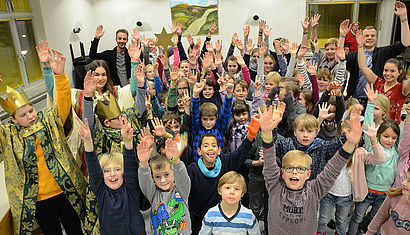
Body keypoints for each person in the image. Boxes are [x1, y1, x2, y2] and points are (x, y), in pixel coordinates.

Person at [0, 50, 86, 234]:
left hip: (64, 189)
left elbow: (62, 105)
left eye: (31, 111)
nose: (30, 116)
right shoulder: (10, 135)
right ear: (13, 120)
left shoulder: (47, 120)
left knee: (74, 229)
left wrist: (59, 75)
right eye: (23, 115)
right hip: (39, 199)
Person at [257, 103, 363, 235]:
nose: (295, 171)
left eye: (300, 169)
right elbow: (269, 161)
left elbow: (333, 168)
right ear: (282, 172)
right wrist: (267, 133)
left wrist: (350, 143)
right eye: (290, 168)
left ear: (308, 174)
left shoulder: (315, 190)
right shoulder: (274, 186)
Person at [77, 115, 146, 235]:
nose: (112, 174)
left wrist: (128, 141)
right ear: (102, 175)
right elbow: (93, 166)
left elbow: (130, 165)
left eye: (118, 169)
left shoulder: (130, 188)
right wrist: (88, 141)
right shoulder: (101, 191)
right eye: (107, 171)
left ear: (124, 173)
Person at [187, 120, 258, 234]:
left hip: (223, 218)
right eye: (206, 145)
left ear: (219, 150)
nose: (210, 148)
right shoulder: (192, 170)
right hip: (198, 219)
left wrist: (250, 137)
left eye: (214, 145)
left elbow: (240, 153)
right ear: (199, 151)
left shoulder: (226, 162)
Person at [344, 1, 410, 100]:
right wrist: (342, 36)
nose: (369, 38)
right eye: (366, 35)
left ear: (376, 37)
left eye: (373, 35)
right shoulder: (354, 55)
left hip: (377, 100)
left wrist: (403, 19)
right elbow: (339, 59)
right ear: (361, 37)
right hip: (355, 99)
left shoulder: (383, 52)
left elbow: (405, 43)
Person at [137, 129, 192, 235]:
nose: (163, 180)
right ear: (152, 178)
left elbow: (182, 174)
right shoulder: (153, 193)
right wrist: (143, 164)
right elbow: (144, 180)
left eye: (166, 175)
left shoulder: (181, 190)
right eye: (157, 177)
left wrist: (175, 160)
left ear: (173, 173)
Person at [357, 28, 410, 123]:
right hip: (373, 125)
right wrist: (360, 46)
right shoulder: (378, 83)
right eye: (386, 70)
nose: (388, 74)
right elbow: (363, 67)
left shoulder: (402, 88)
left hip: (390, 130)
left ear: (400, 72)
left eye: (392, 71)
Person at [365, 167, 410, 235]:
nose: (403, 183)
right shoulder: (394, 196)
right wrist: (369, 233)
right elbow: (379, 217)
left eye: (409, 181)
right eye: (405, 178)